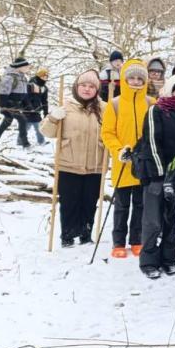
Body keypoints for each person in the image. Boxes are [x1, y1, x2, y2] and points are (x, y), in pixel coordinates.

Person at [134, 73, 175, 278]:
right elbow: (152, 142)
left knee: (174, 219)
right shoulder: (157, 110)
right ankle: (149, 260)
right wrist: (161, 173)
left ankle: (169, 258)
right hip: (156, 174)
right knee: (153, 220)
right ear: (169, 90)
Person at [41, 70, 106, 246]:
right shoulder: (65, 107)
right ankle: (67, 235)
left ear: (97, 90)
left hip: (95, 164)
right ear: (76, 87)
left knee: (90, 202)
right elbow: (47, 132)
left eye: (91, 86)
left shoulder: (104, 109)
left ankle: (85, 234)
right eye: (83, 85)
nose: (87, 89)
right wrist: (53, 119)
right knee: (69, 202)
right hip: (68, 163)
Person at [100, 59, 155, 258]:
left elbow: (155, 131)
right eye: (132, 78)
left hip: (143, 163)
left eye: (140, 78)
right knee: (121, 206)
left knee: (141, 204)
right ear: (124, 79)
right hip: (122, 162)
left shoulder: (151, 103)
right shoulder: (114, 104)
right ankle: (118, 242)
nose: (136, 81)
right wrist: (118, 150)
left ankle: (136, 240)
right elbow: (107, 133)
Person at [0, 57, 33, 148]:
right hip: (9, 104)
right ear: (20, 67)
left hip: (17, 104)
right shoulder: (9, 77)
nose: (28, 68)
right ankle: (25, 142)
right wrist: (3, 107)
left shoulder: (23, 78)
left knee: (7, 121)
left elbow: (24, 94)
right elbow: (3, 93)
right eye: (26, 66)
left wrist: (28, 105)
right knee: (22, 120)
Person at [24, 68, 49, 146]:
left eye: (46, 77)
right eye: (43, 76)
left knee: (35, 125)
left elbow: (44, 101)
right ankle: (21, 141)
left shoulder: (44, 88)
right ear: (39, 76)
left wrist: (46, 112)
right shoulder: (30, 85)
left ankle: (41, 141)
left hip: (36, 110)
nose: (45, 78)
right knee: (29, 126)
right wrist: (29, 108)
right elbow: (25, 98)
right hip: (28, 110)